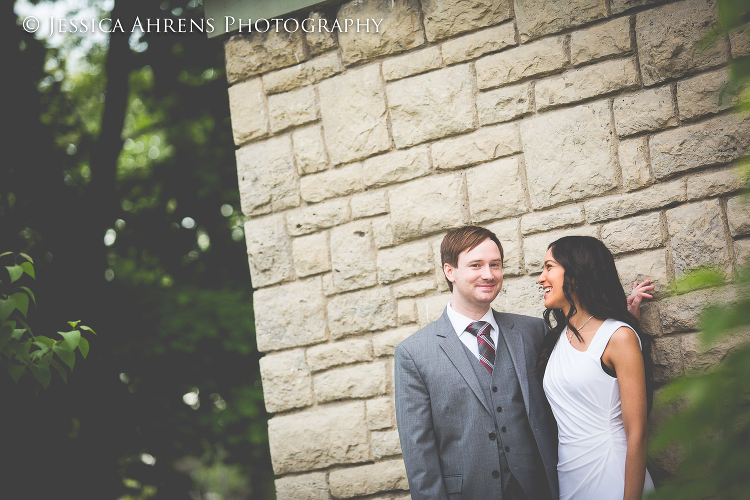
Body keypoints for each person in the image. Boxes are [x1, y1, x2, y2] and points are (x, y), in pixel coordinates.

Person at [395, 225, 559, 499]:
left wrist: (615, 324)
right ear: (450, 272)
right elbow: (419, 454)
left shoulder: (533, 332)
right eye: (476, 265)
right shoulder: (413, 353)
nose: (489, 274)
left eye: (495, 264)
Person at [536, 236, 655, 500]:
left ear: (576, 273)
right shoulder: (559, 338)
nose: (541, 278)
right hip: (570, 476)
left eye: (549, 267)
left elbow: (637, 433)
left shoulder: (618, 337)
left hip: (613, 472)